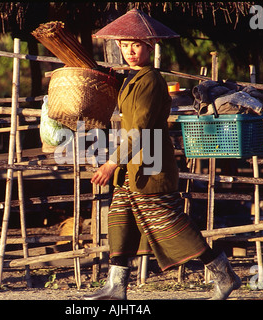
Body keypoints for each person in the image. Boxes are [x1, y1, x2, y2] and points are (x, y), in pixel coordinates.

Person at [85, 9, 241, 300]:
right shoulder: (133, 79)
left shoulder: (151, 80)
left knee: (171, 225)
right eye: (124, 44)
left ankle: (225, 275)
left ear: (150, 45)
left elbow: (142, 129)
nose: (130, 51)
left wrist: (110, 163)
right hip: (132, 168)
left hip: (151, 166)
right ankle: (116, 285)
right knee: (119, 221)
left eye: (137, 44)